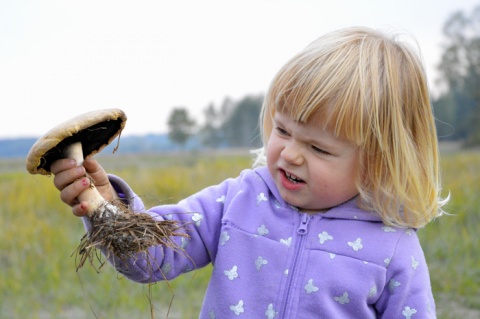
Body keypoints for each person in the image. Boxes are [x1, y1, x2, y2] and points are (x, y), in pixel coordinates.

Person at [51, 26, 447, 318]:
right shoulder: (239, 199)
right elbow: (150, 258)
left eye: (318, 147)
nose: (290, 154)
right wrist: (106, 209)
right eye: (283, 130)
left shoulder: (393, 249)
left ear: (378, 161)